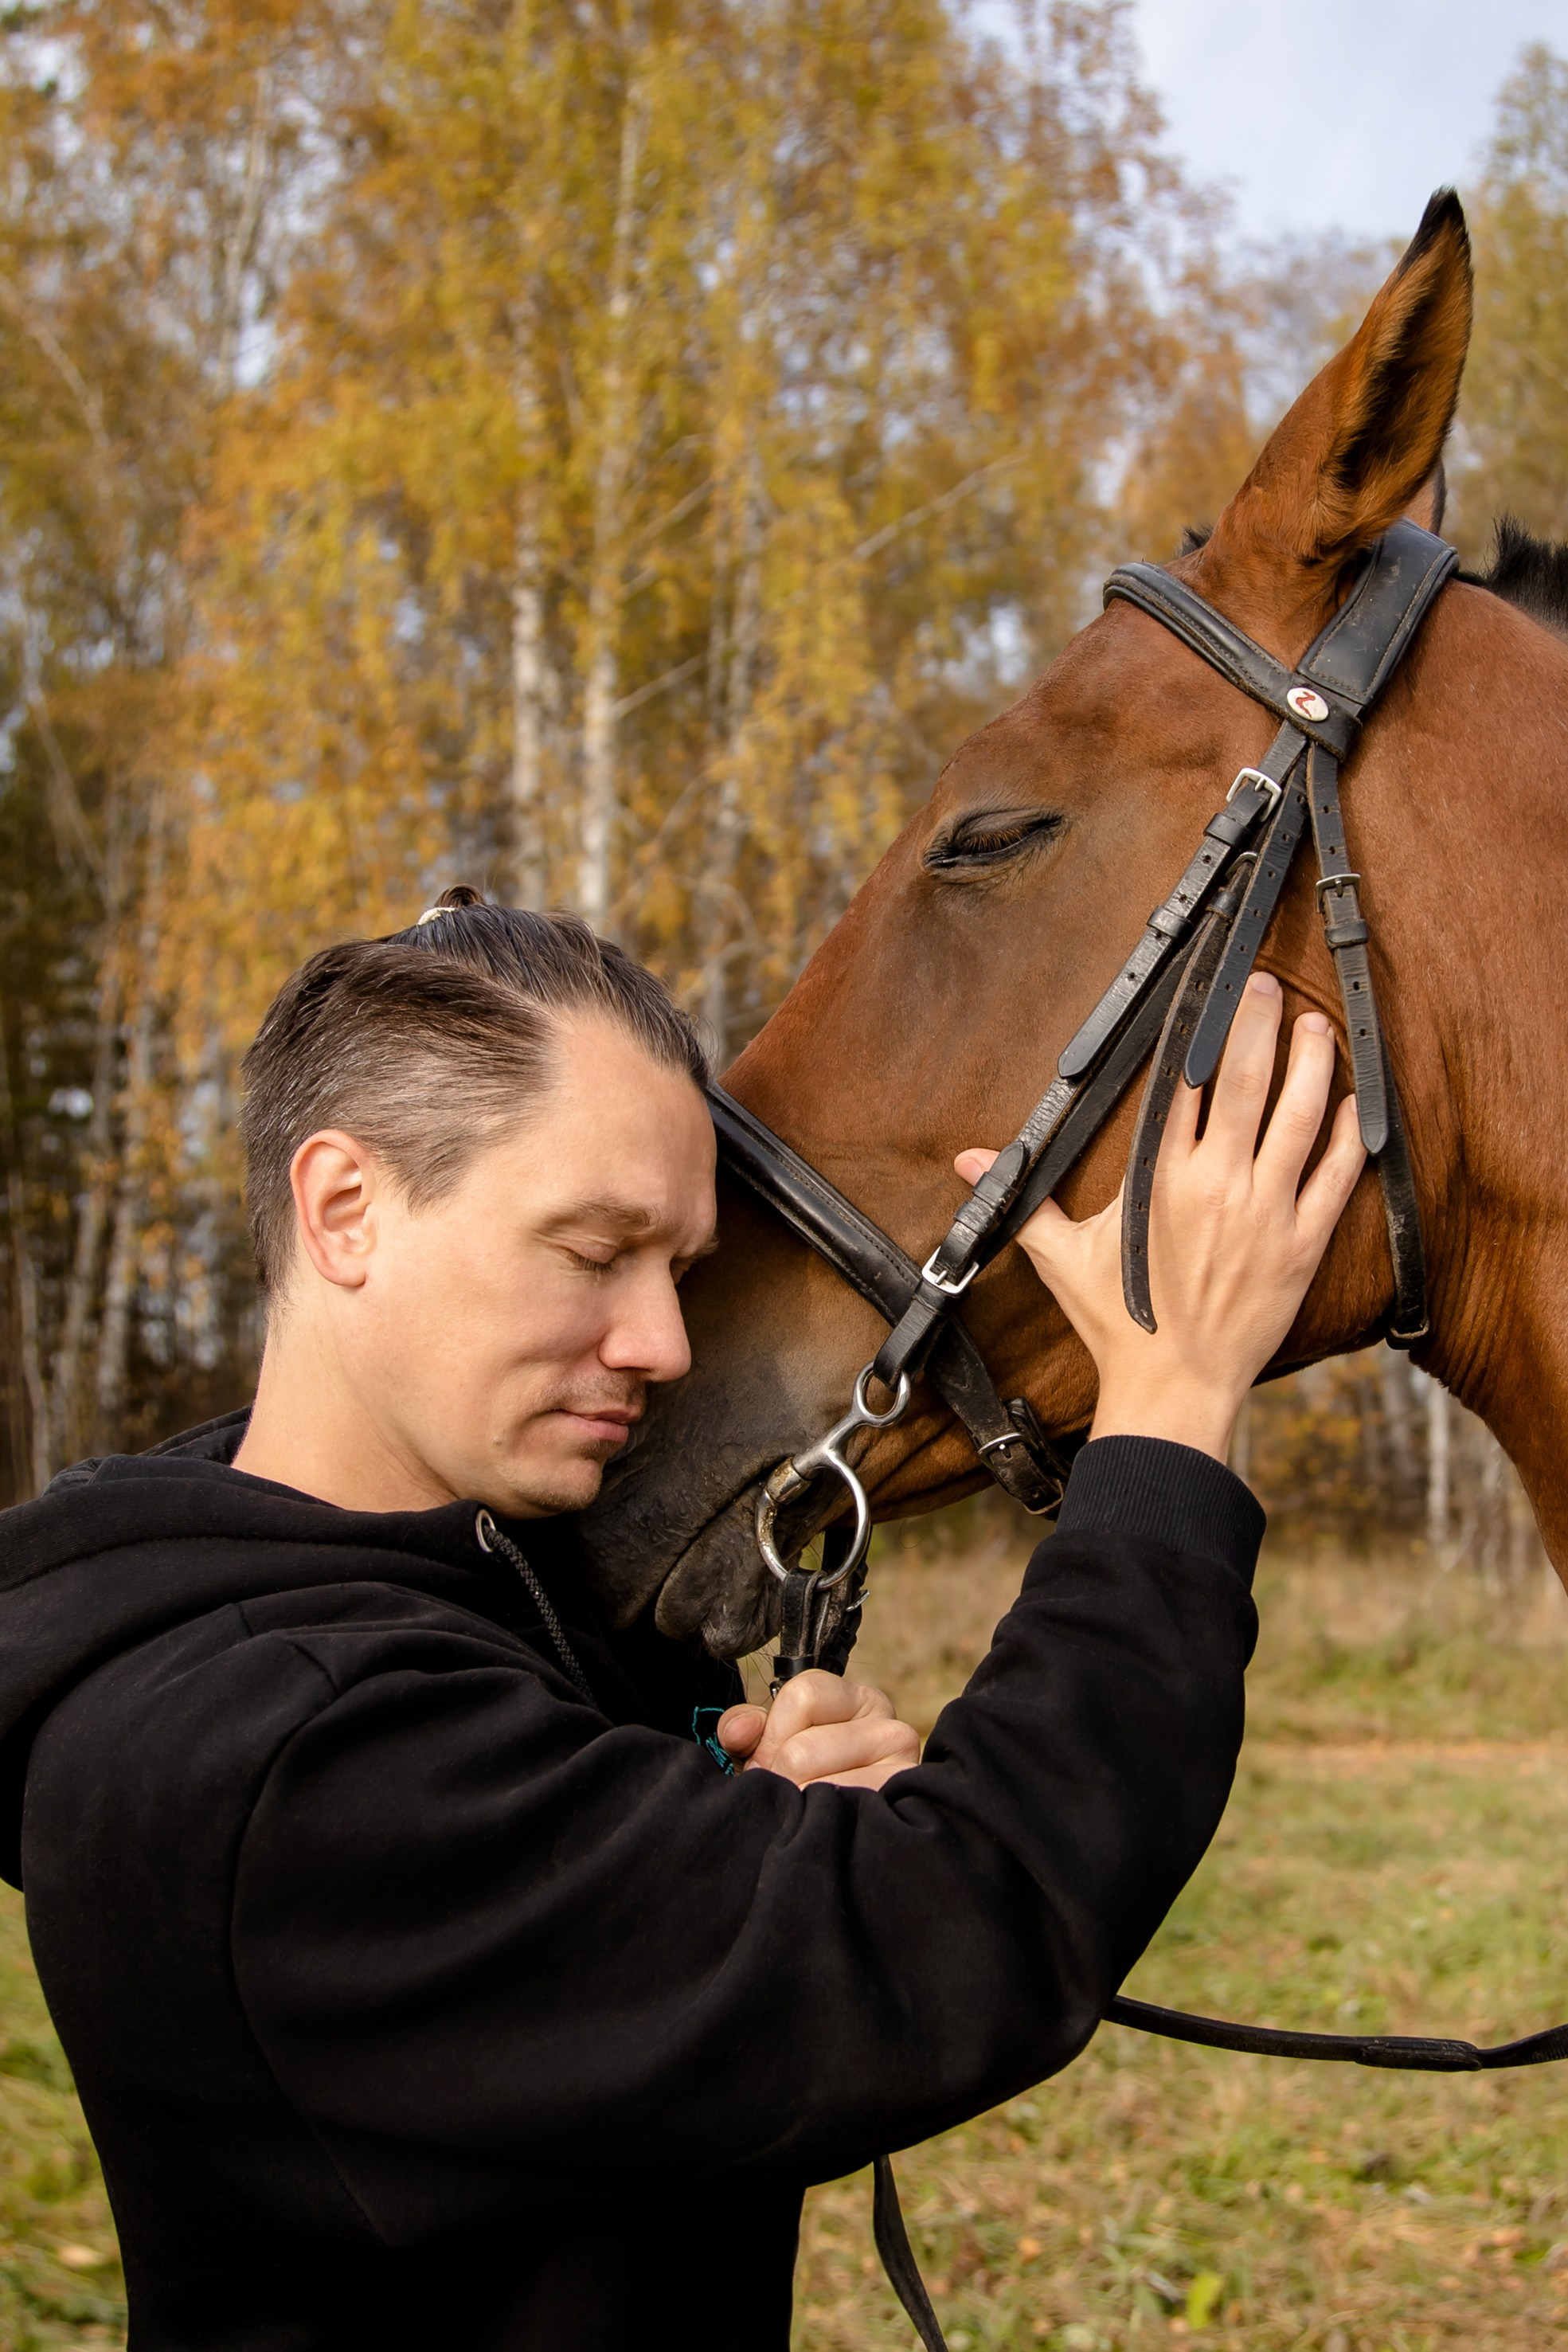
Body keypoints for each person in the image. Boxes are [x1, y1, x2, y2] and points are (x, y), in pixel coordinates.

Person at [0, 888, 1364, 2351]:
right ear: (346, 1210)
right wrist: (1172, 1407)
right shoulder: (268, 1754)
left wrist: (734, 1803)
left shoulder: (449, 1585)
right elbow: (947, 1932)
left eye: (681, 1271)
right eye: (595, 1252)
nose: (659, 1341)